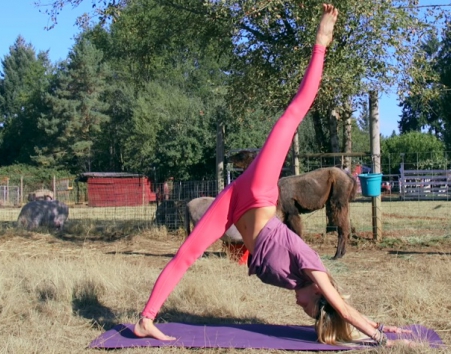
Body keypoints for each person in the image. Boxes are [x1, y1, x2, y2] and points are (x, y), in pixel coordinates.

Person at [133, 4, 413, 347]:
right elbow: (342, 307)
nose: (301, 306)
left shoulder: (298, 282)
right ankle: (320, 44)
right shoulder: (313, 268)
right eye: (309, 307)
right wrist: (382, 337)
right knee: (293, 115)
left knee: (187, 253)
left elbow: (342, 310)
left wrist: (378, 323)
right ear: (317, 293)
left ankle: (145, 320)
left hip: (235, 204)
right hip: (259, 191)